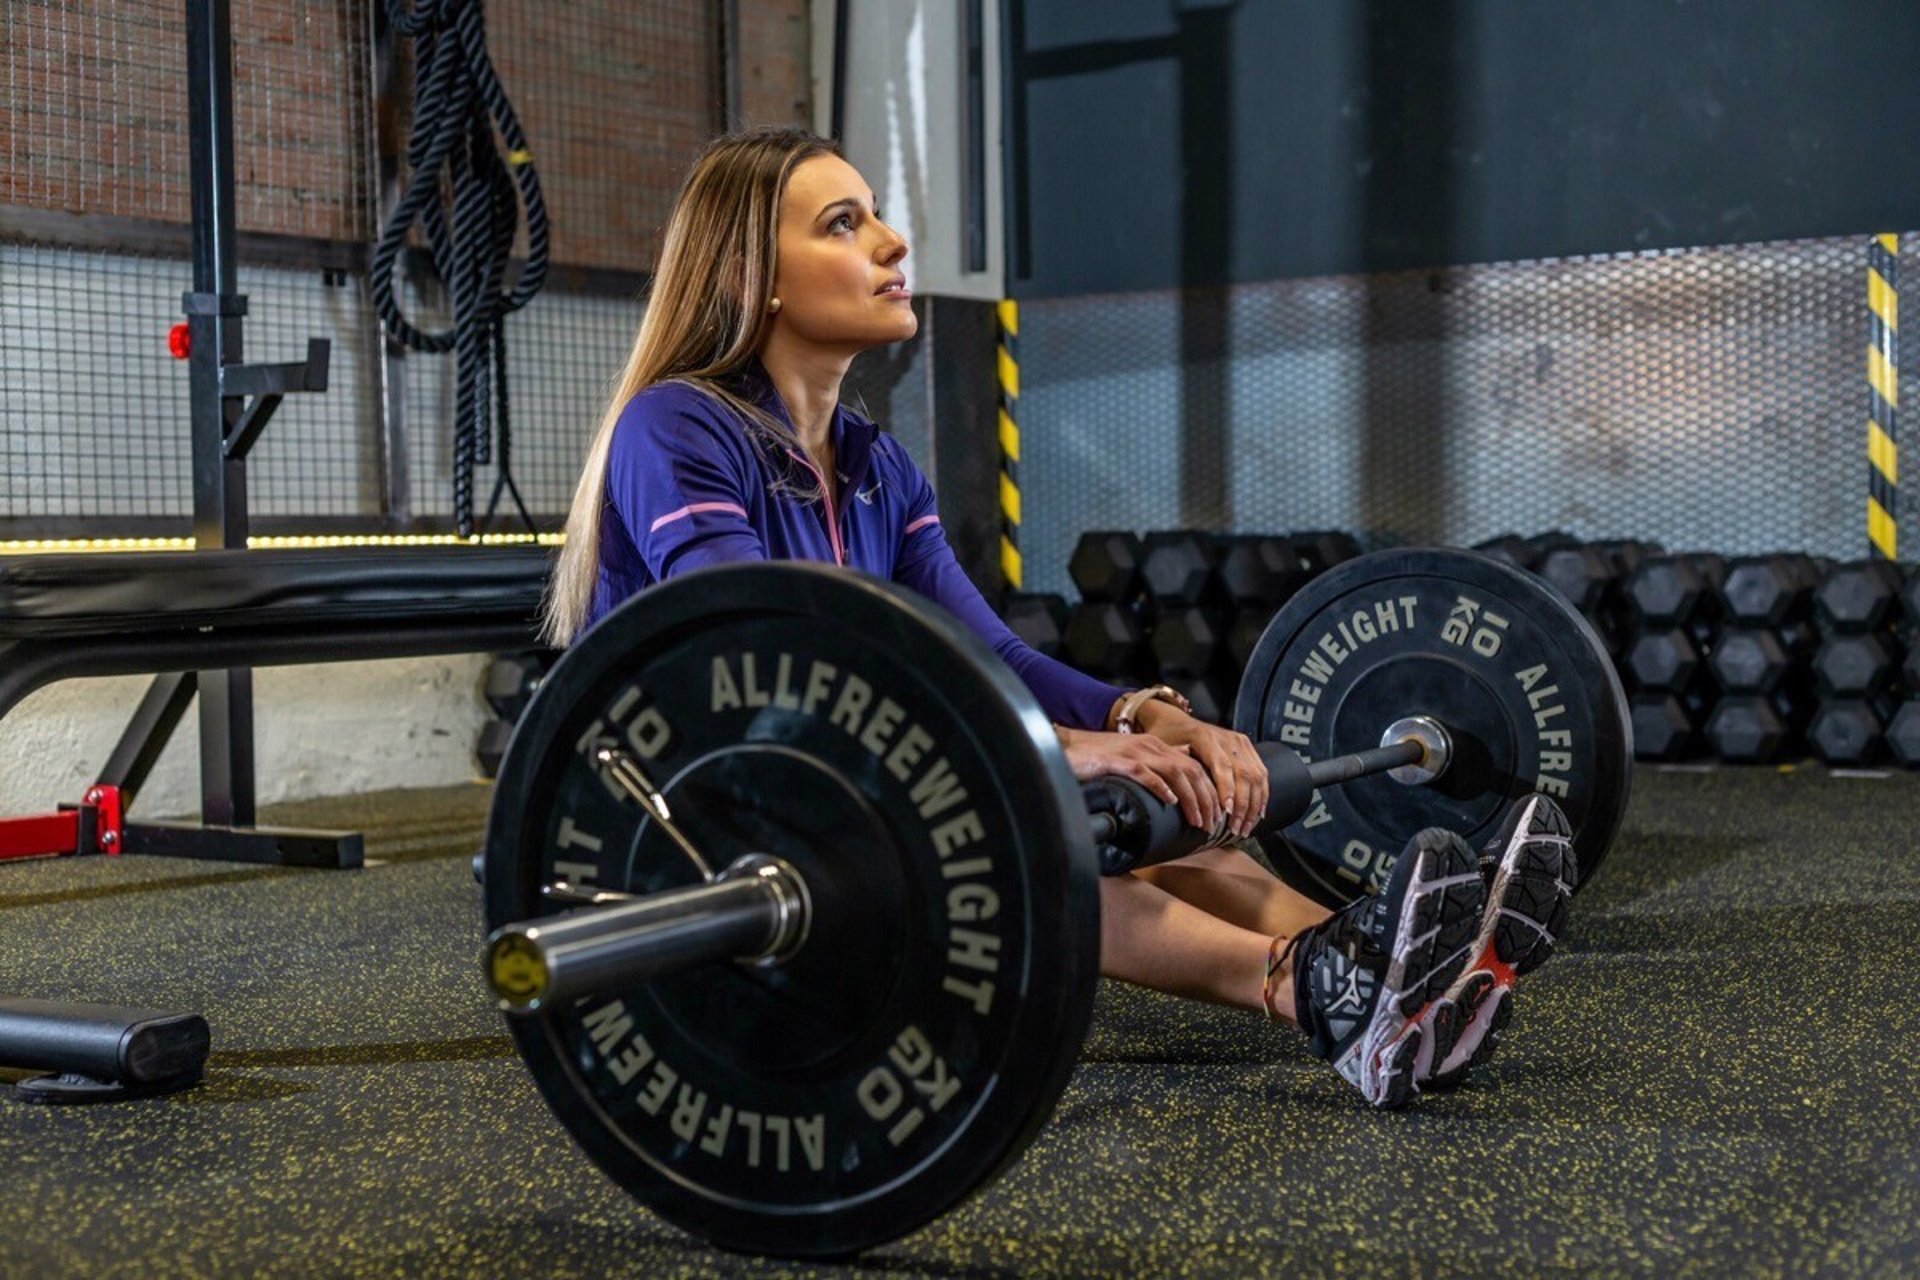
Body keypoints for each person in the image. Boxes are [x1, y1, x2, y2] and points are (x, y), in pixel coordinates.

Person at [541, 127, 1575, 1108]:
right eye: (844, 223)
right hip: (683, 819)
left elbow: (983, 648)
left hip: (814, 776)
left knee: (1174, 818)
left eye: (876, 216)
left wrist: (1142, 722)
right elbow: (757, 647)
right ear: (748, 278)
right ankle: (1311, 987)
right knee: (1031, 829)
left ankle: (1395, 963)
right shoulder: (674, 424)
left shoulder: (871, 465)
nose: (894, 241)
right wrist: (1052, 752)